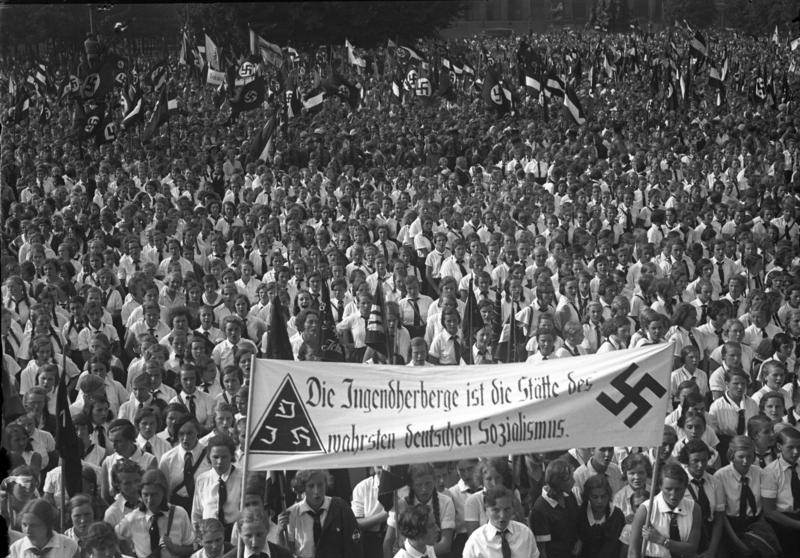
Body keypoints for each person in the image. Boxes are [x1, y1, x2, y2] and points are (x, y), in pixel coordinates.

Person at [115, 469, 195, 558]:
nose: (149, 500)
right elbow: (112, 537)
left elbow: (191, 548)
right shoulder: (132, 518)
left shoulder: (179, 514)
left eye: (154, 495)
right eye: (145, 494)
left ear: (164, 492)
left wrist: (175, 548)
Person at [628, 461, 701, 558]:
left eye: (678, 489)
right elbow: (633, 552)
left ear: (685, 487)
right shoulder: (646, 510)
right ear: (660, 486)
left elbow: (692, 548)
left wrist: (661, 540)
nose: (673, 495)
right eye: (668, 489)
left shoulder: (694, 509)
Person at [284, 469, 363, 558]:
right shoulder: (292, 513)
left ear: (326, 485)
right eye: (311, 486)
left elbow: (354, 546)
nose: (316, 491)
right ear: (303, 488)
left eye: (320, 485)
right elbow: (287, 551)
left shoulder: (340, 507)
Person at [463, 485, 540, 558]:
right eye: (496, 510)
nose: (502, 516)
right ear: (485, 510)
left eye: (507, 509)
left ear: (512, 509)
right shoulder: (476, 541)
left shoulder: (525, 534)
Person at [191, 434, 242, 539]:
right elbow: (197, 513)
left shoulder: (241, 478)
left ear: (231, 456)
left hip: (234, 534)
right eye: (215, 457)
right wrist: (198, 537)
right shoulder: (202, 480)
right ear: (209, 456)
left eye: (224, 457)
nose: (219, 462)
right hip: (209, 535)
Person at [530, 459, 580, 558]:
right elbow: (542, 549)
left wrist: (579, 541)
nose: (573, 482)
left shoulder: (569, 496)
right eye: (569, 479)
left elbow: (576, 524)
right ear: (558, 482)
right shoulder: (540, 509)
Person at [8, 498, 79, 558]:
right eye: (24, 525)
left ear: (47, 525)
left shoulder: (68, 546)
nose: (27, 530)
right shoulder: (16, 549)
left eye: (34, 525)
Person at [576, 474, 624, 558]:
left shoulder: (617, 515)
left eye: (603, 496)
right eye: (595, 497)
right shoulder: (580, 514)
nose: (599, 501)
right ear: (588, 497)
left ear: (609, 495)